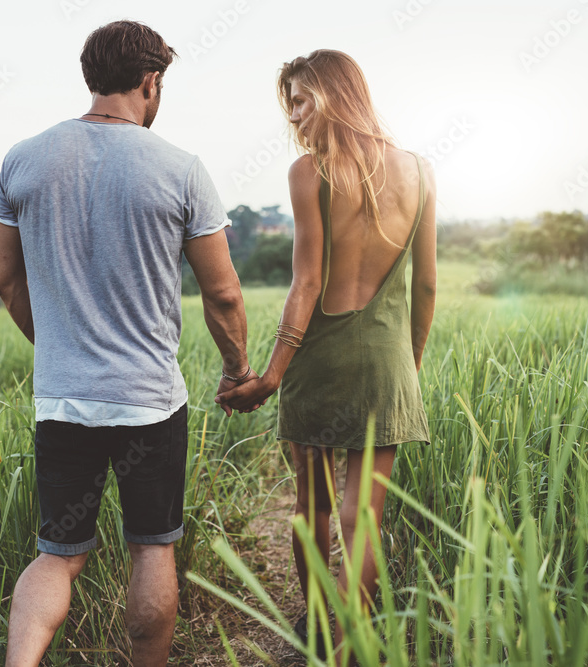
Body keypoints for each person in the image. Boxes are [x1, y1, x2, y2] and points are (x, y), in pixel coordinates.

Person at [0, 20, 256, 666]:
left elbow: (5, 277)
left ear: (92, 78)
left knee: (59, 555)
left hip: (62, 399)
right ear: (150, 82)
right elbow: (222, 294)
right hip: (149, 404)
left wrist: (55, 345)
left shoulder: (22, 160)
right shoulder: (181, 169)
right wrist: (237, 368)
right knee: (151, 546)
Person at [216, 49, 437, 661]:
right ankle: (355, 641)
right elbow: (427, 286)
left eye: (301, 100)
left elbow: (306, 285)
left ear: (335, 94)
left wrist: (270, 376)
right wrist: (408, 370)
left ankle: (316, 632)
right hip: (387, 364)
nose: (294, 117)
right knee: (363, 517)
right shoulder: (420, 170)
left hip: (317, 364)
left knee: (312, 508)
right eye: (288, 105)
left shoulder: (308, 173)